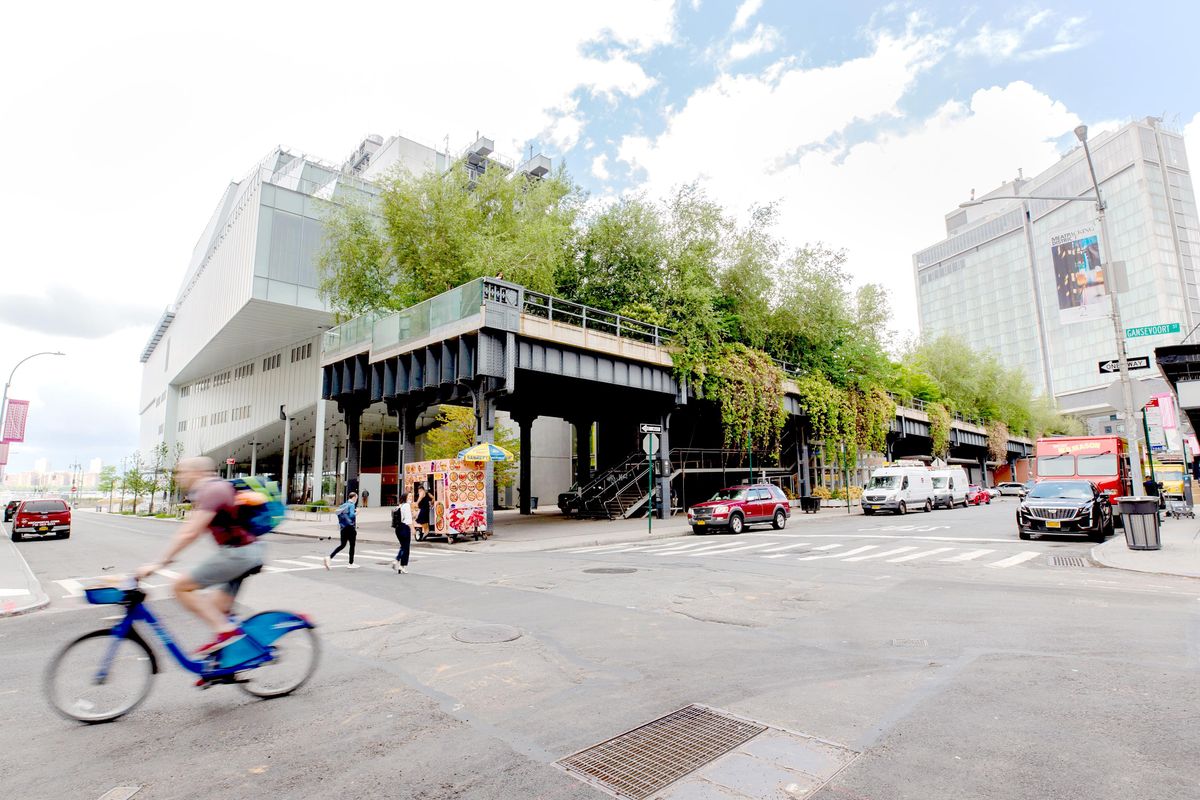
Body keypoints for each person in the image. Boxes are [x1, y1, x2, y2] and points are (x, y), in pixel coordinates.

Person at [135, 456, 265, 656]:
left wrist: (159, 563)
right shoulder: (214, 489)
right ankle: (229, 661)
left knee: (180, 587)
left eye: (182, 472)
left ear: (197, 472)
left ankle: (228, 634)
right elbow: (198, 528)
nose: (178, 477)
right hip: (247, 551)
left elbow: (190, 532)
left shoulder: (212, 490)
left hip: (240, 553)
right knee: (216, 609)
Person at [324, 492, 359, 569]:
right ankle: (351, 563)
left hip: (343, 528)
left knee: (342, 545)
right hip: (350, 528)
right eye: (356, 498)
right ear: (353, 498)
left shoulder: (343, 505)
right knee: (352, 545)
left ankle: (329, 557)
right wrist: (357, 512)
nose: (356, 499)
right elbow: (351, 515)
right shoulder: (352, 505)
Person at [390, 492, 413, 574]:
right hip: (405, 528)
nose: (411, 497)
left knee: (403, 547)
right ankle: (398, 561)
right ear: (405, 498)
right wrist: (412, 529)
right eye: (409, 496)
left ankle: (401, 566)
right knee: (406, 548)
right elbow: (408, 520)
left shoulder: (400, 505)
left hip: (398, 529)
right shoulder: (406, 506)